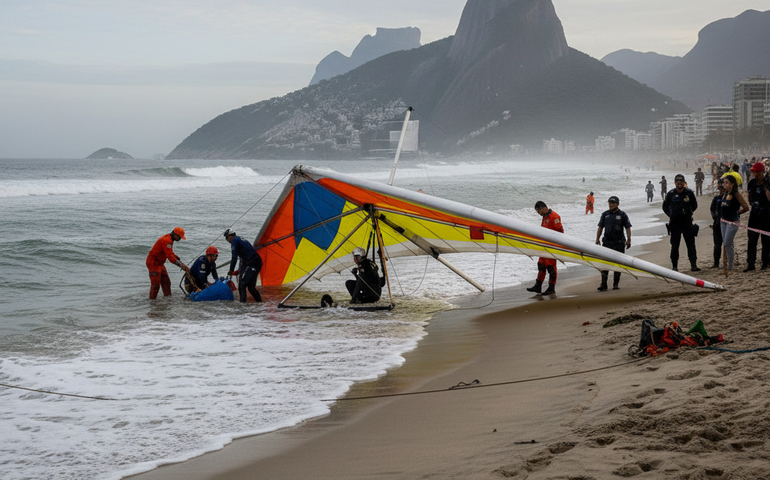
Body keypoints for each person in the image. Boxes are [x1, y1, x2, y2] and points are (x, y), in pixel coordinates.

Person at [662, 174, 699, 272]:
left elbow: (694, 205)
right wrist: (671, 215)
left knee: (691, 245)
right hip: (675, 224)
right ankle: (674, 267)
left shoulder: (689, 193)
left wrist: (688, 212)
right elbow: (665, 207)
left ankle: (693, 265)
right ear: (675, 183)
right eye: (677, 181)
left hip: (687, 222)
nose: (679, 183)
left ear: (684, 182)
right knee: (675, 246)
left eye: (681, 181)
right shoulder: (670, 194)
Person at [525, 201, 564, 295]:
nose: (539, 214)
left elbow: (561, 232)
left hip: (551, 246)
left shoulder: (554, 217)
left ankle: (551, 288)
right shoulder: (545, 217)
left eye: (538, 211)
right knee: (541, 265)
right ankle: (538, 286)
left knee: (551, 267)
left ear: (542, 208)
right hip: (544, 246)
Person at [595, 196, 632, 290]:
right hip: (607, 242)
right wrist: (597, 239)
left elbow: (628, 227)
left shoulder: (622, 214)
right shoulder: (605, 214)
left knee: (618, 264)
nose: (611, 205)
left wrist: (629, 239)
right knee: (604, 263)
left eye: (613, 203)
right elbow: (600, 227)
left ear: (618, 204)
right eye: (610, 203)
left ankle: (615, 284)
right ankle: (603, 284)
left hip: (619, 242)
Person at [146, 227, 191, 299]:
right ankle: (152, 303)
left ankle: (168, 299)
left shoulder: (170, 239)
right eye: (179, 237)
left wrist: (176, 257)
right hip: (153, 262)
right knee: (155, 285)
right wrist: (184, 267)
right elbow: (170, 258)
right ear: (175, 235)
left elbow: (169, 252)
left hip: (160, 263)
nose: (180, 239)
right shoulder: (167, 240)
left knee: (166, 282)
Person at [719, 175, 749, 271]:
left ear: (732, 184)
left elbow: (746, 207)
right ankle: (728, 262)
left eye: (727, 182)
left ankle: (730, 265)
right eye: (724, 182)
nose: (724, 184)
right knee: (727, 243)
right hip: (723, 222)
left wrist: (737, 213)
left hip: (733, 222)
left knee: (727, 242)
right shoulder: (724, 193)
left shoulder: (736, 194)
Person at [224, 228, 263, 302]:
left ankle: (242, 306)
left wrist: (231, 270)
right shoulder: (239, 239)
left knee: (242, 284)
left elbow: (234, 257)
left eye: (227, 238)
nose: (227, 240)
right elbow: (244, 259)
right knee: (251, 287)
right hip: (256, 262)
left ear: (230, 236)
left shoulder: (234, 241)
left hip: (253, 263)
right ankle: (259, 303)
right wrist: (238, 271)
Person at [745, 162, 770, 271]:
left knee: (766, 241)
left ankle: (765, 262)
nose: (755, 174)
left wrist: (766, 188)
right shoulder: (751, 183)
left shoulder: (767, 182)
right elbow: (749, 197)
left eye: (757, 172)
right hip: (754, 215)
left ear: (762, 172)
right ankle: (751, 264)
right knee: (751, 240)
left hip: (766, 215)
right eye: (754, 172)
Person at [709, 183, 725, 268]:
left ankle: (728, 262)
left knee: (728, 244)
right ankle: (716, 263)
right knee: (717, 245)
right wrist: (716, 218)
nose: (722, 190)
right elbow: (712, 209)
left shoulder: (729, 198)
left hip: (727, 224)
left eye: (723, 189)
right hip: (717, 224)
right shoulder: (716, 198)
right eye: (721, 189)